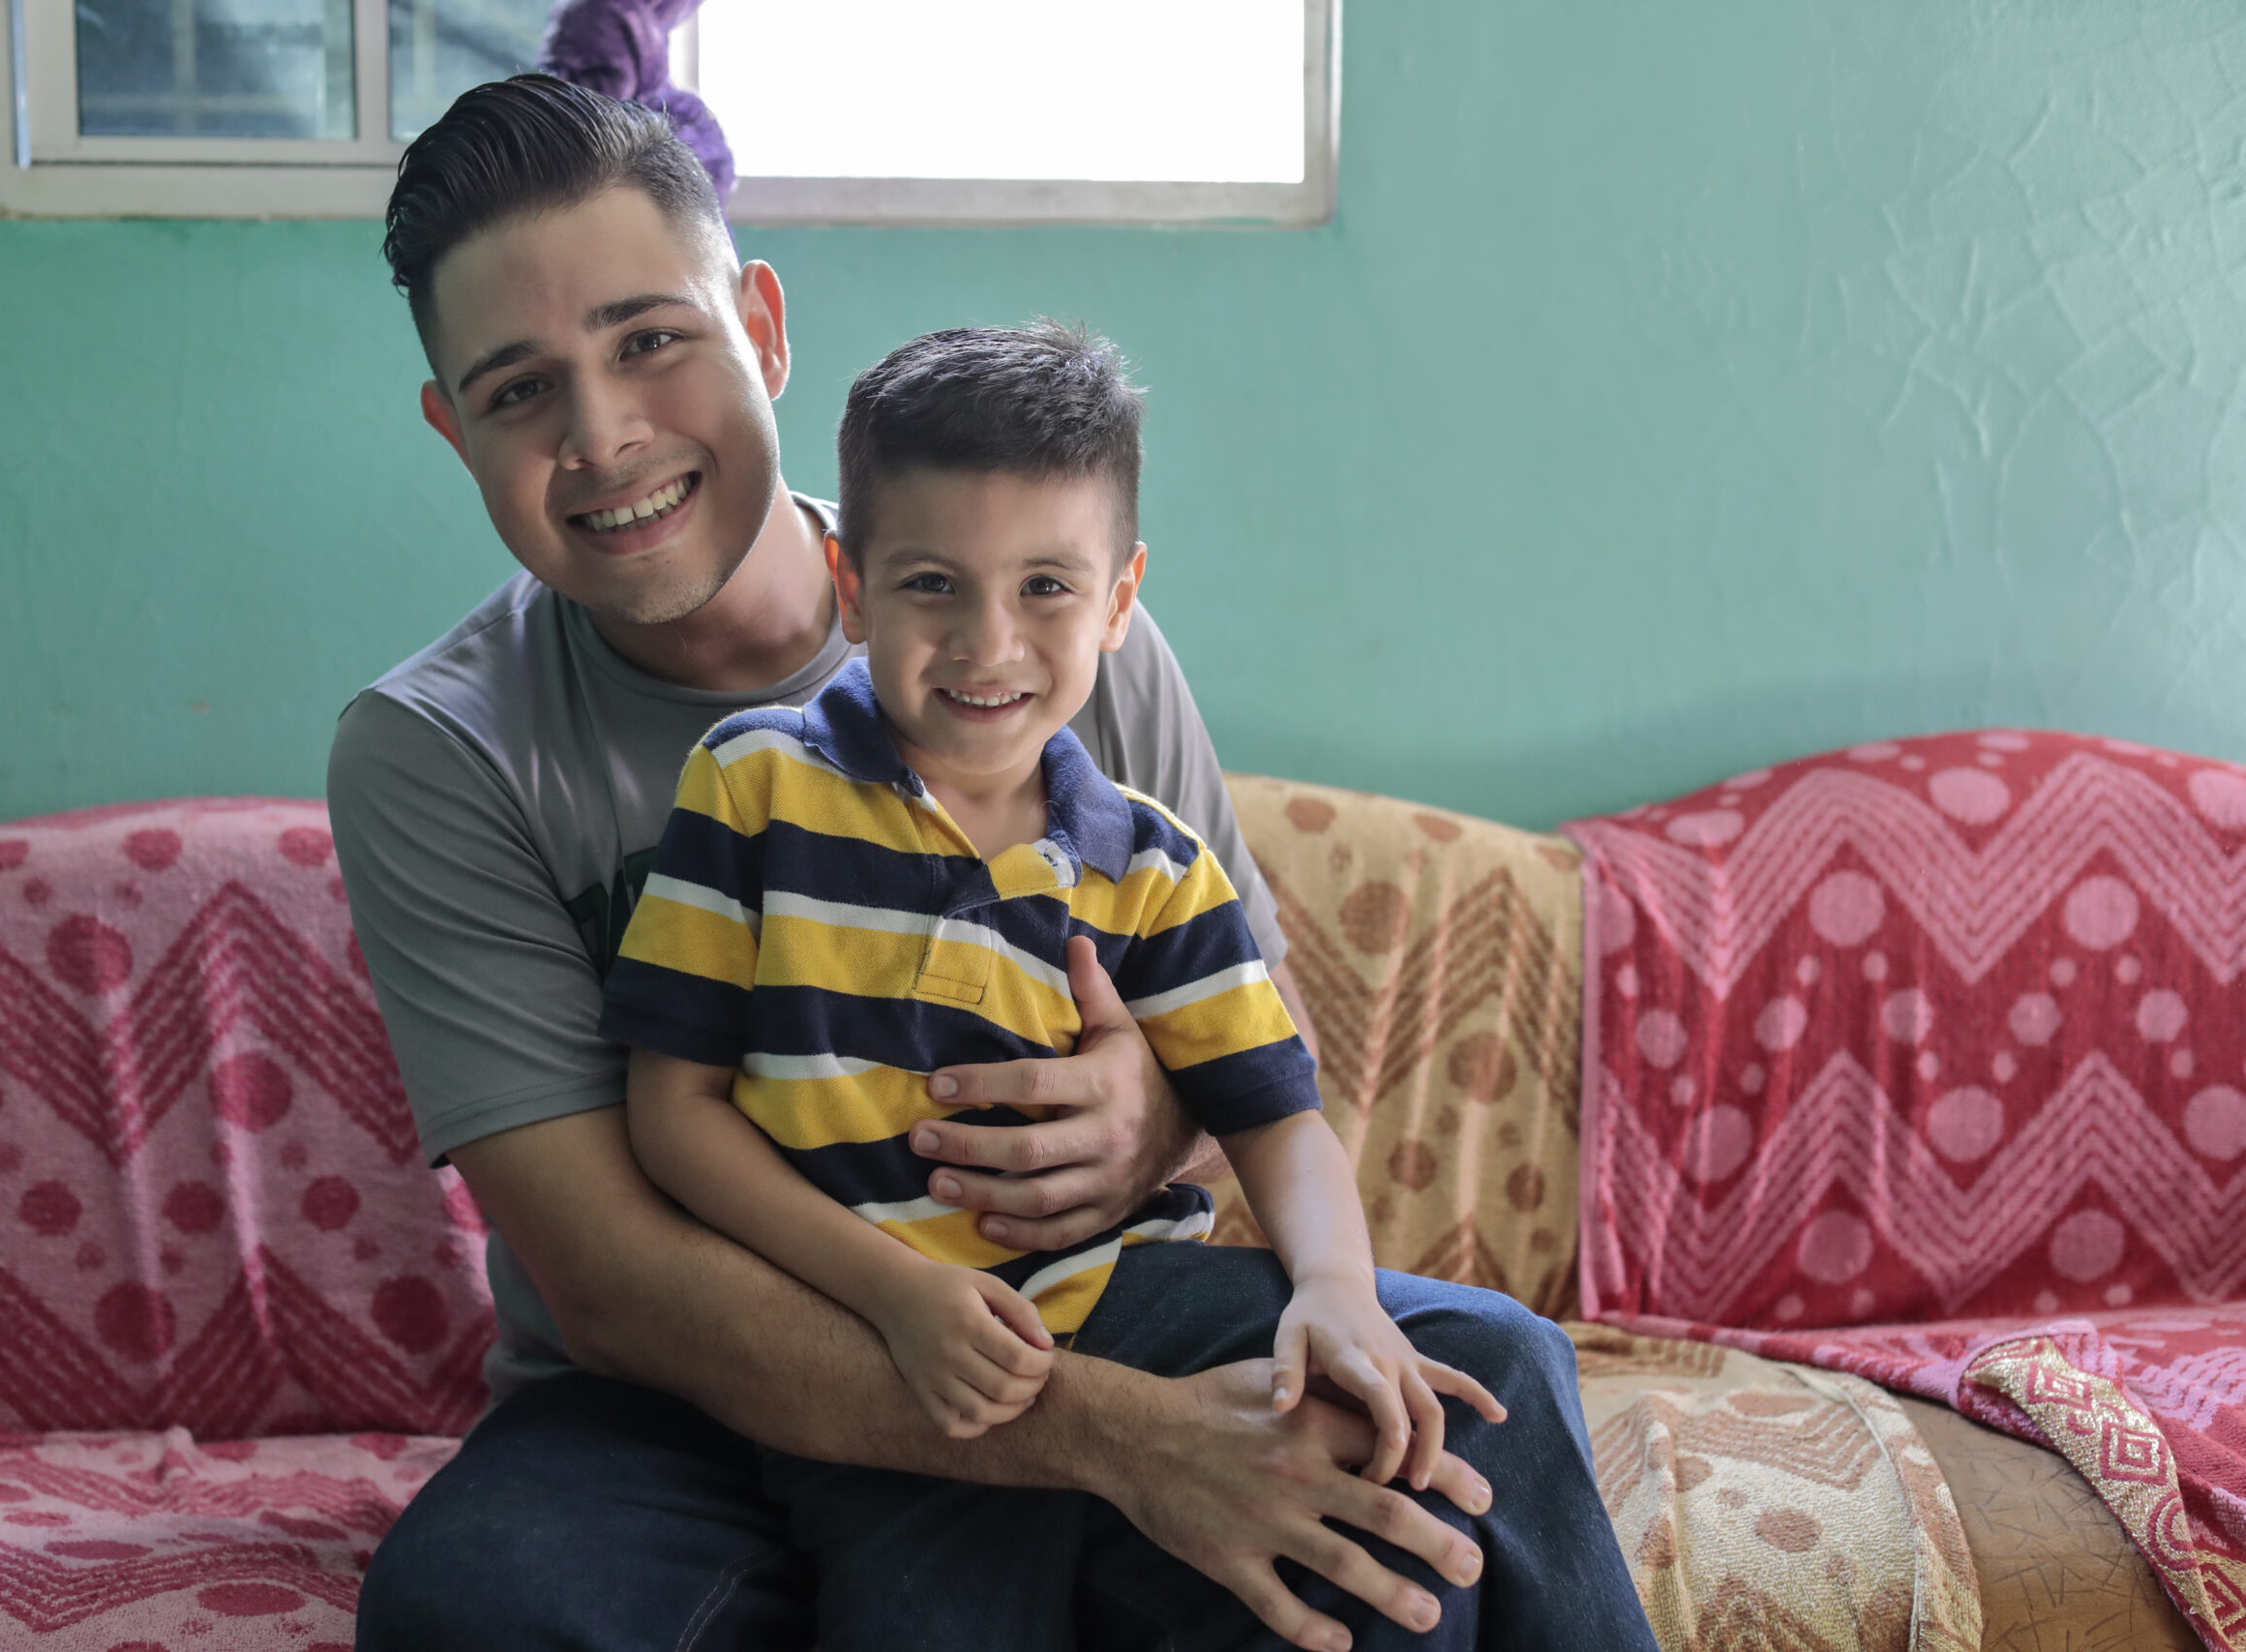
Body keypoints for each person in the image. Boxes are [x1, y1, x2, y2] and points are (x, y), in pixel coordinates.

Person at [334, 74, 1653, 1652]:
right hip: (681, 1400)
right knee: (480, 1611)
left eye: (649, 340)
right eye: (519, 389)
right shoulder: (441, 750)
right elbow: (619, 1281)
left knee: (1453, 1412)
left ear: (760, 323)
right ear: (451, 428)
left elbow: (1246, 1048)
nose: (603, 435)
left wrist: (1141, 1115)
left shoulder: (1046, 631)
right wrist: (1126, 1444)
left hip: (1070, 1300)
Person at [602, 321, 1538, 1648]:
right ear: (852, 587)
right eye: (933, 584)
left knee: (1462, 1400)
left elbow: (1277, 1115)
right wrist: (892, 1295)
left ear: (1120, 598)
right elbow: (672, 1115)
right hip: (868, 1371)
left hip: (1126, 1311)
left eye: (1047, 586)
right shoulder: (752, 790)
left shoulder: (1154, 868)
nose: (989, 643)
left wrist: (1332, 1284)